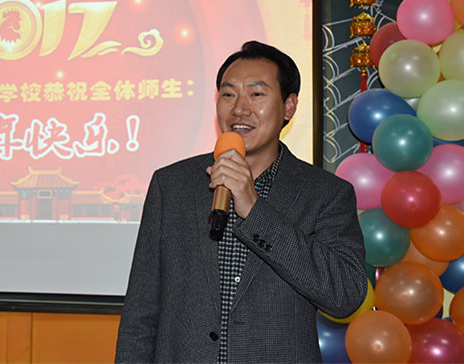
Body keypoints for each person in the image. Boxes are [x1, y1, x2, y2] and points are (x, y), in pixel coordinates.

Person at [115, 41, 367, 363]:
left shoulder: (326, 194)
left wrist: (254, 209)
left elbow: (346, 296)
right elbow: (140, 313)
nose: (239, 110)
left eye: (256, 94)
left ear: (289, 106)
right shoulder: (172, 186)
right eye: (228, 94)